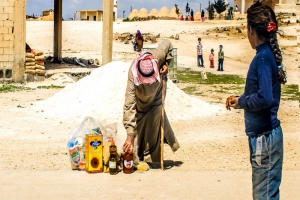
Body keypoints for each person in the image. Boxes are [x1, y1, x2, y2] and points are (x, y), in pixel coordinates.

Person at [225, 2, 287, 199]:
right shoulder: (267, 55)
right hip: (267, 137)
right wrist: (240, 99)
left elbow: (265, 97)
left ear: (251, 29)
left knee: (264, 196)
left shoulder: (262, 58)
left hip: (265, 139)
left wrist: (242, 102)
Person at [122, 40, 180, 170]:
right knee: (136, 140)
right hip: (140, 103)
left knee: (153, 133)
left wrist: (166, 63)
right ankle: (138, 158)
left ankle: (153, 162)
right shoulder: (132, 73)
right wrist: (130, 136)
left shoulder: (157, 56)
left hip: (156, 97)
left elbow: (168, 44)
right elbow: (129, 104)